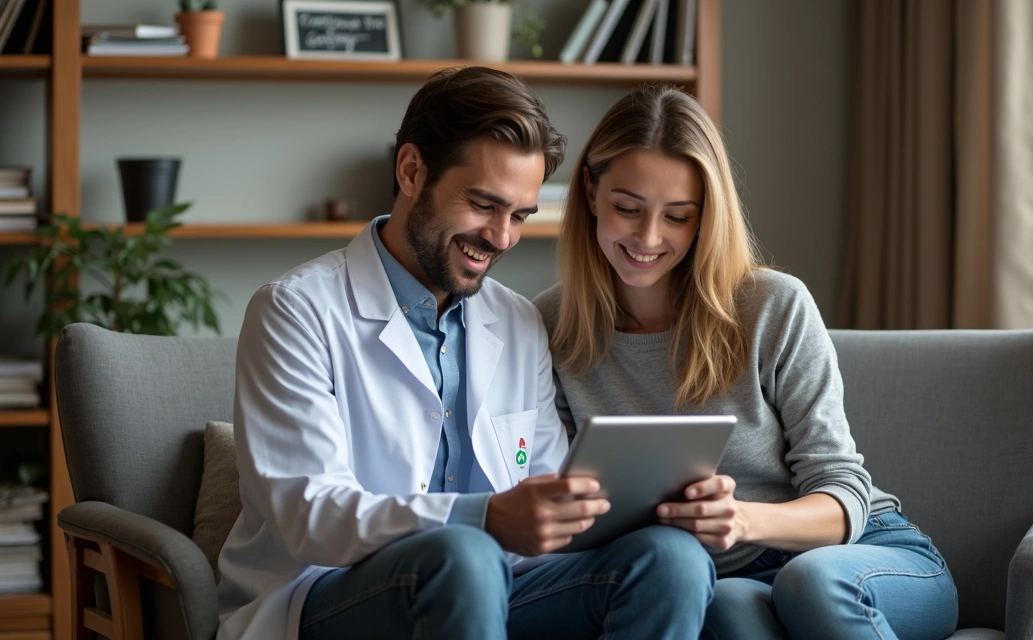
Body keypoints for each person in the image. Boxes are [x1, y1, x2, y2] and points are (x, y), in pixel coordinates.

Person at [217, 68, 715, 640]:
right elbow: (309, 516)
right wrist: (481, 518)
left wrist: (662, 504)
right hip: (325, 593)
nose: (501, 237)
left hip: (492, 587)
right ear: (411, 171)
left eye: (520, 216)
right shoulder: (293, 310)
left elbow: (547, 488)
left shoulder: (519, 321)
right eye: (483, 204)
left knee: (669, 559)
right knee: (464, 553)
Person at [533, 84, 959, 640]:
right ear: (591, 192)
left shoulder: (771, 306)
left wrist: (742, 519)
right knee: (726, 610)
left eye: (677, 216)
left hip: (864, 556)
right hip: (730, 581)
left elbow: (843, 490)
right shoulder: (552, 326)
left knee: (810, 583)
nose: (648, 237)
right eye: (627, 209)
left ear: (705, 217)